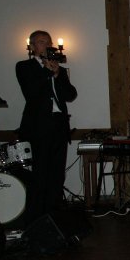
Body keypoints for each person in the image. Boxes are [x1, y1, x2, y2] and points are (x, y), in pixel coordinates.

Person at [16, 30, 78, 225]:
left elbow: (70, 95)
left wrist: (58, 74)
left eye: (48, 42)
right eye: (42, 42)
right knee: (40, 174)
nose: (46, 45)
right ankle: (36, 218)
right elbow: (31, 92)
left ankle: (55, 216)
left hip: (59, 126)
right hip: (39, 127)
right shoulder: (24, 66)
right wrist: (47, 71)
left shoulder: (59, 70)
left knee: (57, 174)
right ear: (32, 46)